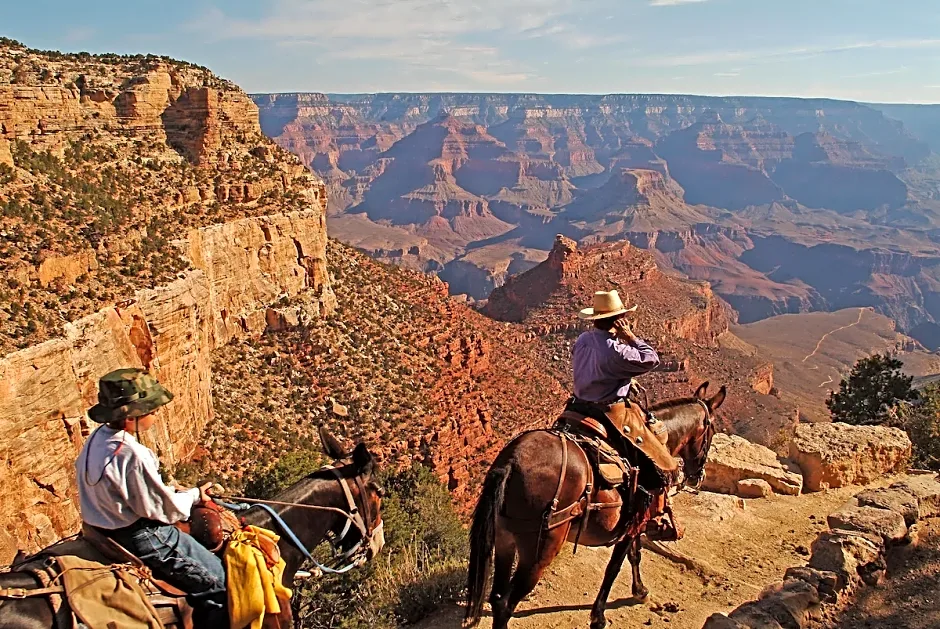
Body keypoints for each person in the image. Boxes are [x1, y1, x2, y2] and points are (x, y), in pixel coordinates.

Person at [75, 368, 228, 627]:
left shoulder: (97, 438)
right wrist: (194, 495)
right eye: (152, 410)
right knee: (219, 583)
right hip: (142, 537)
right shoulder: (131, 453)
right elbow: (162, 510)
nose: (156, 416)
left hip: (100, 531)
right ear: (131, 416)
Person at [568, 290, 682, 540]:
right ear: (619, 319)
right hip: (611, 411)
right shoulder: (618, 351)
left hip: (577, 406)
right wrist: (630, 337)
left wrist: (623, 380)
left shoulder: (584, 339)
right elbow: (650, 360)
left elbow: (597, 369)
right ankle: (654, 516)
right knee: (661, 463)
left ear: (595, 319)